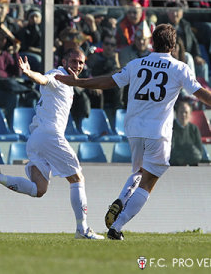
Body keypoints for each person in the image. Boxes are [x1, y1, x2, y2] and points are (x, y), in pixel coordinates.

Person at [55, 24, 211, 240]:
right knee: (148, 182)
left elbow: (108, 81)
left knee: (138, 173)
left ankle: (120, 200)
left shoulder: (136, 64)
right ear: (173, 45)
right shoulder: (179, 68)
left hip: (134, 129)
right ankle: (116, 227)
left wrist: (79, 82)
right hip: (158, 132)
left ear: (152, 43)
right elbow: (200, 93)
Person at [0, 48, 104, 240]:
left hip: (36, 138)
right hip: (50, 135)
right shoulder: (58, 74)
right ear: (65, 60)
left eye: (81, 63)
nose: (77, 66)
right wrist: (28, 73)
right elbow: (43, 79)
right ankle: (82, 229)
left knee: (38, 189)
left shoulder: (68, 82)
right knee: (77, 179)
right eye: (74, 61)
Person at [170, 100, 203, 166]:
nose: (183, 115)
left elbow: (199, 153)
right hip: (173, 166)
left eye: (186, 112)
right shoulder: (170, 128)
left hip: (192, 165)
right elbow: (170, 153)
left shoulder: (194, 129)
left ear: (190, 114)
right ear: (176, 113)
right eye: (181, 112)